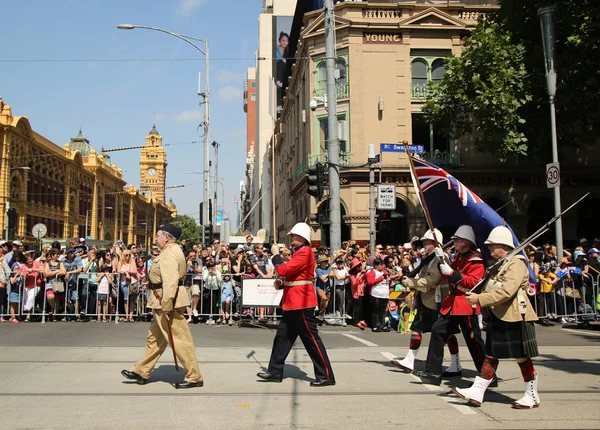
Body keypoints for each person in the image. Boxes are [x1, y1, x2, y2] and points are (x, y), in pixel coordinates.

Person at [454, 226, 540, 409]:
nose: (490, 249)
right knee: (491, 355)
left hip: (515, 316)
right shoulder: (502, 263)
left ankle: (531, 395)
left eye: (493, 246)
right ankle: (478, 390)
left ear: (504, 246)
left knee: (521, 357)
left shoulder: (516, 263)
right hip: (499, 314)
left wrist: (480, 299)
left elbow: (507, 291)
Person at [121, 224, 204, 389]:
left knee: (180, 340)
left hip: (166, 302)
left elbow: (170, 281)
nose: (156, 239)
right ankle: (141, 370)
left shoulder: (169, 253)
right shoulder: (170, 251)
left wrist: (167, 305)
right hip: (161, 300)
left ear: (166, 238)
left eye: (158, 235)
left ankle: (194, 376)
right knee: (155, 339)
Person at [257, 222, 335, 387]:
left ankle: (326, 375)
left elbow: (284, 271)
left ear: (302, 237)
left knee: (311, 340)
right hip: (293, 302)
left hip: (301, 303)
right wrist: (284, 284)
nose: (291, 239)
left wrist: (276, 255)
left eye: (293, 236)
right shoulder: (300, 252)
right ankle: (275, 370)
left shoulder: (304, 252)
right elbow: (297, 277)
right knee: (282, 339)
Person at [413, 225, 486, 386]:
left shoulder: (476, 259)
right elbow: (447, 277)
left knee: (474, 341)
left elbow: (473, 282)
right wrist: (442, 263)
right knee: (437, 330)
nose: (454, 242)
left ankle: (487, 375)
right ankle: (433, 373)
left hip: (466, 304)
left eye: (458, 240)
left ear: (466, 242)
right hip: (453, 303)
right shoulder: (458, 257)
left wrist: (451, 272)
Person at [392, 229, 457, 373]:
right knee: (417, 328)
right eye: (425, 242)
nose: (425, 244)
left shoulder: (440, 258)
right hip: (426, 299)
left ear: (436, 243)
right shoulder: (430, 257)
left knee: (447, 333)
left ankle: (455, 362)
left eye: (428, 242)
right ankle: (409, 359)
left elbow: (433, 279)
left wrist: (411, 282)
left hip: (437, 300)